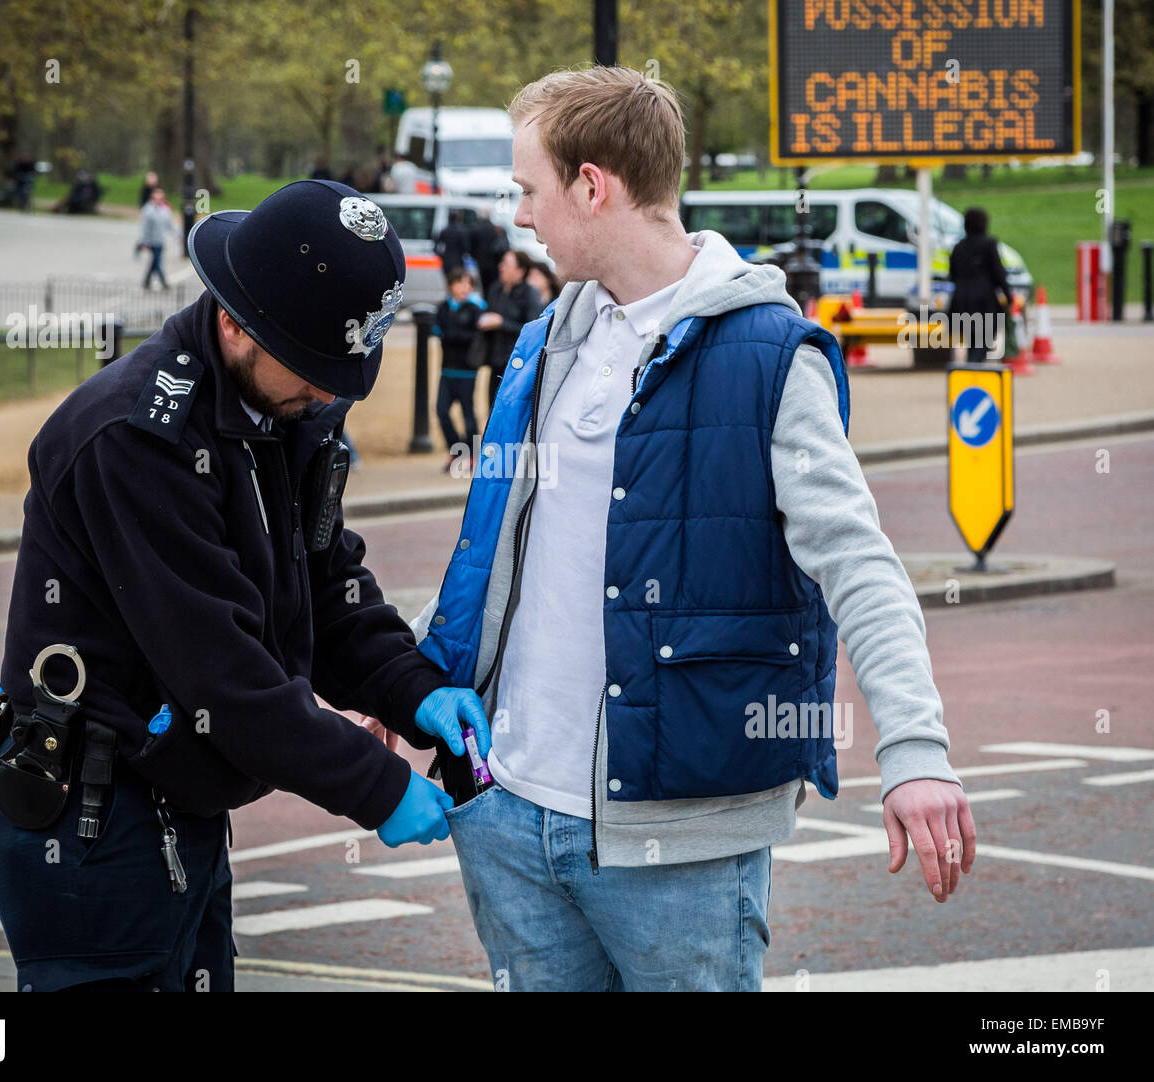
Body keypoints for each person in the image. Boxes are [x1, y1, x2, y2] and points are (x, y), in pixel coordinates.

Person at [413, 66, 975, 992]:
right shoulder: (549, 337)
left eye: (528, 191)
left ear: (592, 185)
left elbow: (860, 567)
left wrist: (915, 753)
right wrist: (415, 679)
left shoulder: (767, 355)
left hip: (677, 846)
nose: (519, 217)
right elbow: (500, 547)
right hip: (506, 814)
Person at [0, 180, 490, 992]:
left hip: (177, 800)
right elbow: (222, 670)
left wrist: (413, 690)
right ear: (234, 322)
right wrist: (378, 787)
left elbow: (327, 582)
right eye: (315, 370)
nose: (329, 394)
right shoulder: (135, 441)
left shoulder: (280, 409)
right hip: (92, 821)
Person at [432, 269, 486, 472]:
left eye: (468, 284)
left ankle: (472, 454)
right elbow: (437, 329)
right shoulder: (444, 307)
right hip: (446, 370)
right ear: (451, 285)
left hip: (467, 371)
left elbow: (472, 336)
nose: (465, 288)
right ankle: (456, 450)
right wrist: (452, 335)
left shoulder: (474, 309)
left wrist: (452, 335)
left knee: (468, 414)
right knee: (441, 411)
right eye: (460, 283)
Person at [478, 248, 542, 406]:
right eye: (502, 263)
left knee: (510, 409)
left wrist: (501, 322)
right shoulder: (495, 289)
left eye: (506, 264)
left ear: (520, 271)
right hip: (495, 360)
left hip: (517, 365)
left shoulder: (529, 293)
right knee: (491, 409)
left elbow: (533, 331)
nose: (501, 267)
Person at [949, 206, 1011, 363]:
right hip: (984, 300)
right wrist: (1008, 296)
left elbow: (952, 275)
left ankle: (973, 365)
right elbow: (998, 274)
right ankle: (973, 367)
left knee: (972, 339)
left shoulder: (958, 247)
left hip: (961, 300)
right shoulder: (989, 245)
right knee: (984, 339)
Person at [138, 186, 178, 290]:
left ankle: (146, 282)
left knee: (154, 262)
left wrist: (178, 234)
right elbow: (145, 228)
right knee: (157, 262)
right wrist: (144, 241)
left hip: (160, 241)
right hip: (151, 241)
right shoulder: (147, 210)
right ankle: (163, 282)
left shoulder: (165, 210)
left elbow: (170, 225)